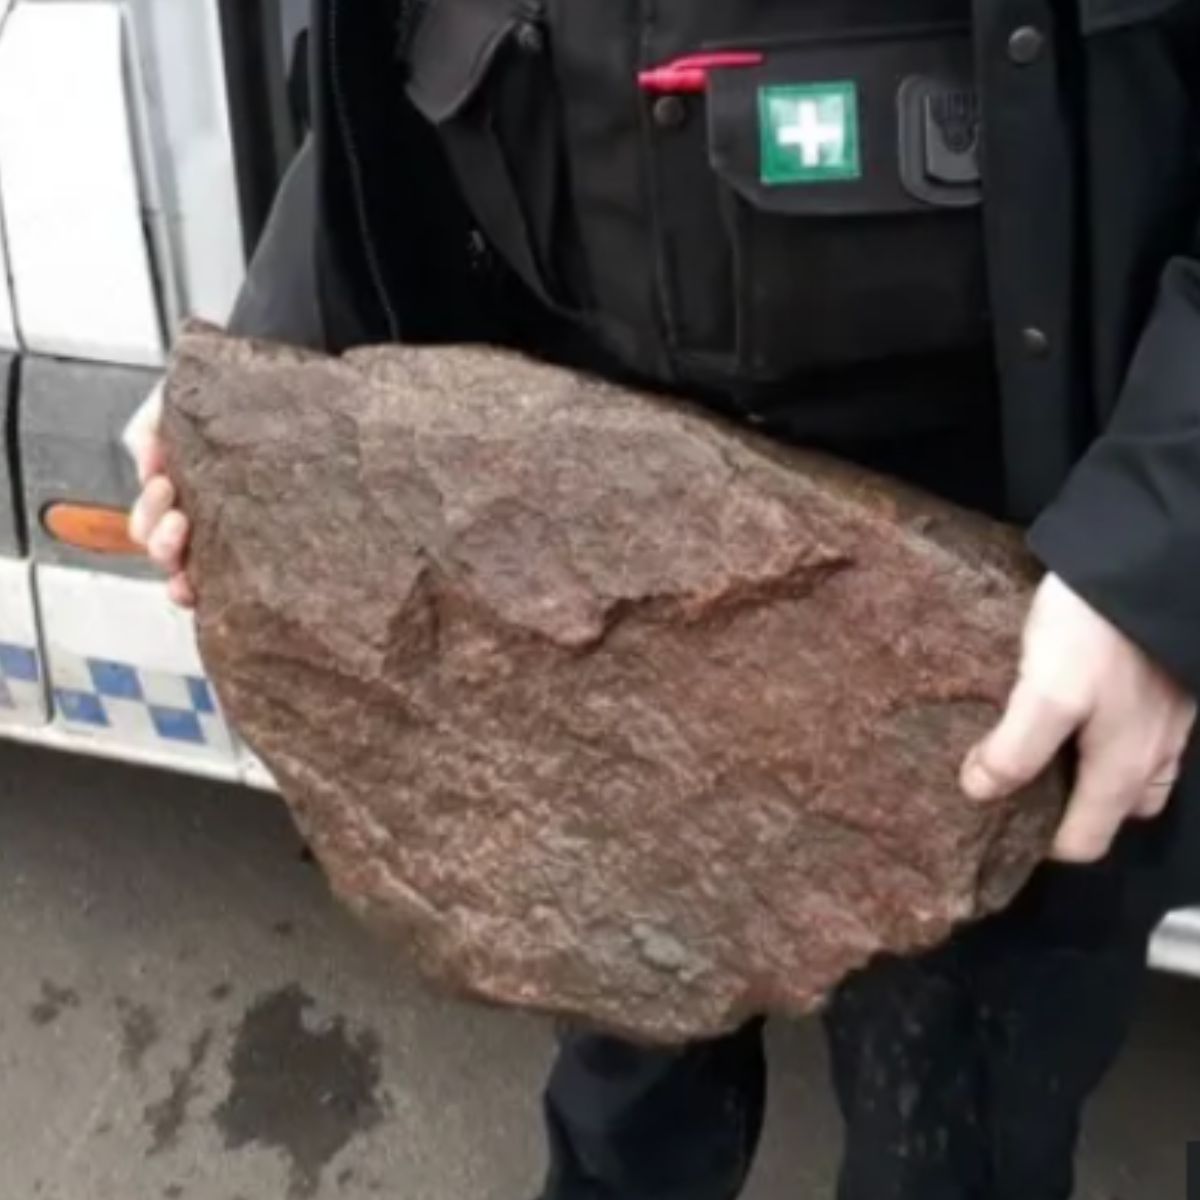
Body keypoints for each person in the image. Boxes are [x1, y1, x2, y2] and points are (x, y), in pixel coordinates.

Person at [127, 2, 1200, 1196]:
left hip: (1013, 580)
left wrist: (1160, 540)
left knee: (954, 1139)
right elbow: (380, 52)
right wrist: (280, 361)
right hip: (571, 532)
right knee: (620, 1100)